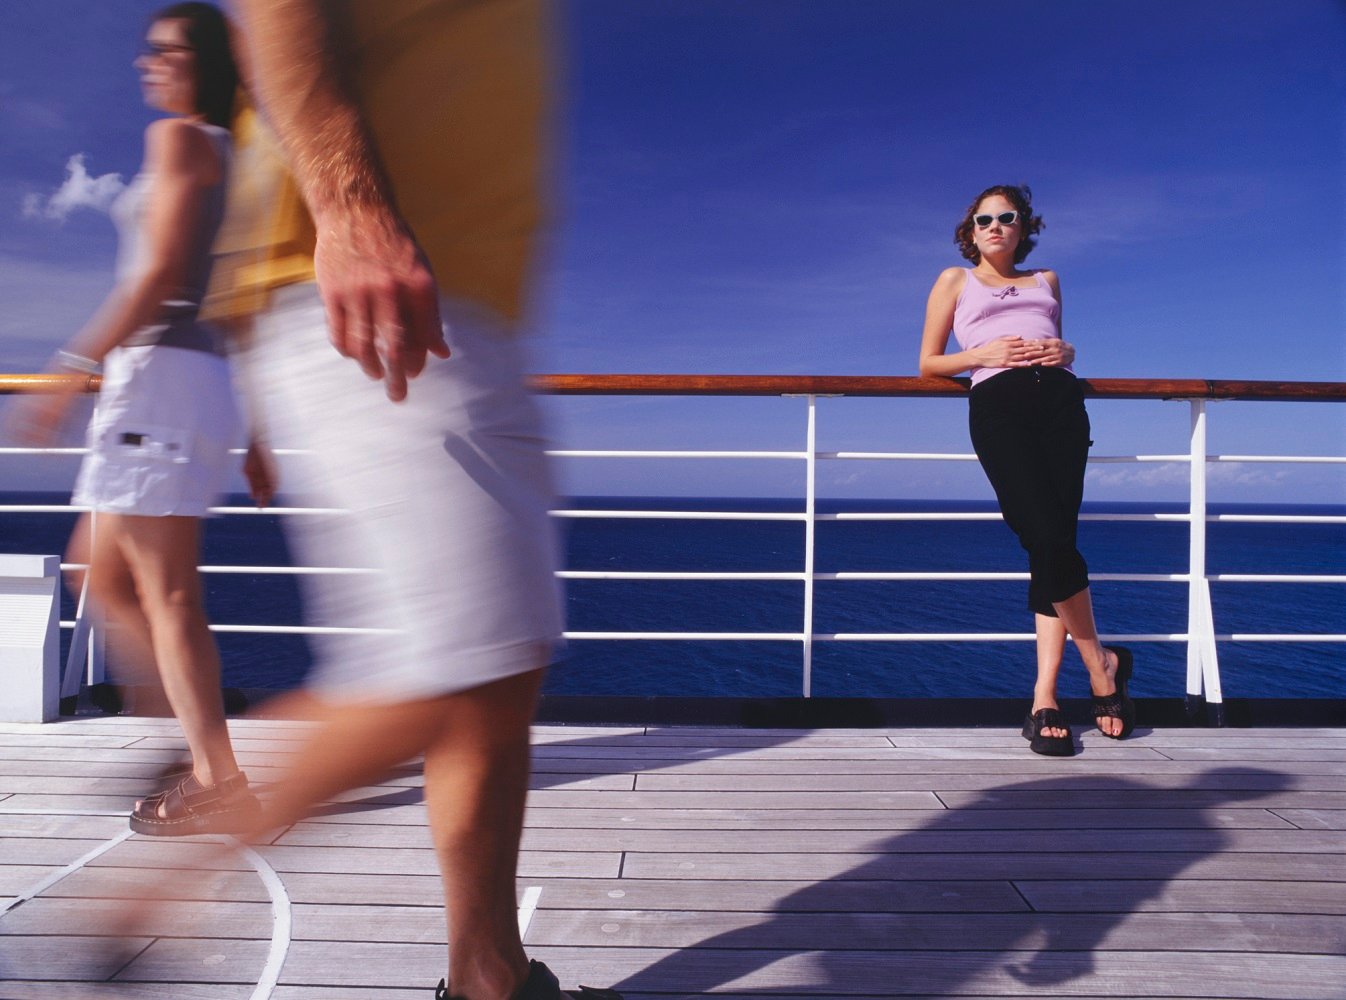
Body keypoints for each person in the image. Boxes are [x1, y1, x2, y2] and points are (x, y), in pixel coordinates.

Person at [217, 2, 623, 997]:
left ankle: (488, 973)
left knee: (494, 688)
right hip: (375, 292)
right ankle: (153, 888)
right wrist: (347, 207)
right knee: (462, 667)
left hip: (456, 311)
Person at [11, 2, 270, 832]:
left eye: (164, 51)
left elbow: (159, 274)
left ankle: (217, 777)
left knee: (165, 595)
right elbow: (240, 310)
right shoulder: (244, 159)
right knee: (99, 571)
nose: (144, 63)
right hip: (194, 383)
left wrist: (68, 368)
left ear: (204, 66)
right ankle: (192, 743)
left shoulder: (184, 139)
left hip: (156, 378)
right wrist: (255, 432)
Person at [918, 184, 1135, 756]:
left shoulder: (1048, 281)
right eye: (983, 219)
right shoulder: (953, 281)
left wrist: (1068, 353)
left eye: (1006, 217)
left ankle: (1045, 697)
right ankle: (1102, 665)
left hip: (1061, 407)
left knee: (1055, 542)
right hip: (999, 408)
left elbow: (1055, 341)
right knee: (1040, 532)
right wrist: (977, 356)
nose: (995, 226)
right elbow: (927, 362)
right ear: (971, 231)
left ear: (1022, 227)